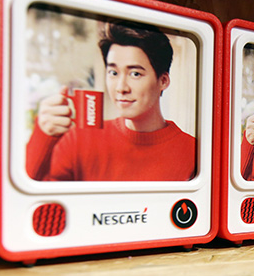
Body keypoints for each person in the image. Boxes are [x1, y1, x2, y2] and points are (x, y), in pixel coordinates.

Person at [26, 20, 195, 181]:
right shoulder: (78, 140)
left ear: (163, 81)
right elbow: (33, 196)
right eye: (113, 73)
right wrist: (44, 135)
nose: (121, 87)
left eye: (135, 74)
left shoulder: (192, 152)